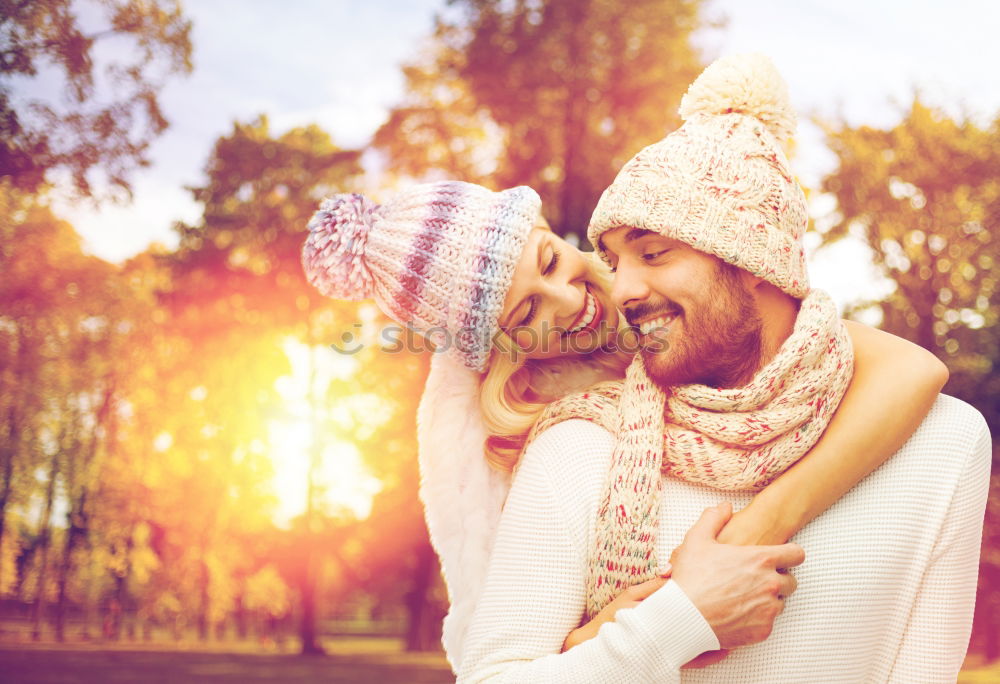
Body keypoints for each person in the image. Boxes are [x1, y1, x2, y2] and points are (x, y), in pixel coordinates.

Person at [301, 84, 947, 676]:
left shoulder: (681, 314)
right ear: (497, 349)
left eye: (550, 260)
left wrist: (761, 528)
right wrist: (625, 629)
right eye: (526, 311)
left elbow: (912, 368)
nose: (569, 298)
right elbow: (511, 652)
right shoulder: (549, 442)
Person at [455, 54, 991, 682]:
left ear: (752, 258)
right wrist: (674, 622)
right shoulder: (577, 448)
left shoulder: (946, 442)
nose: (621, 290)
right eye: (615, 260)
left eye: (653, 253)